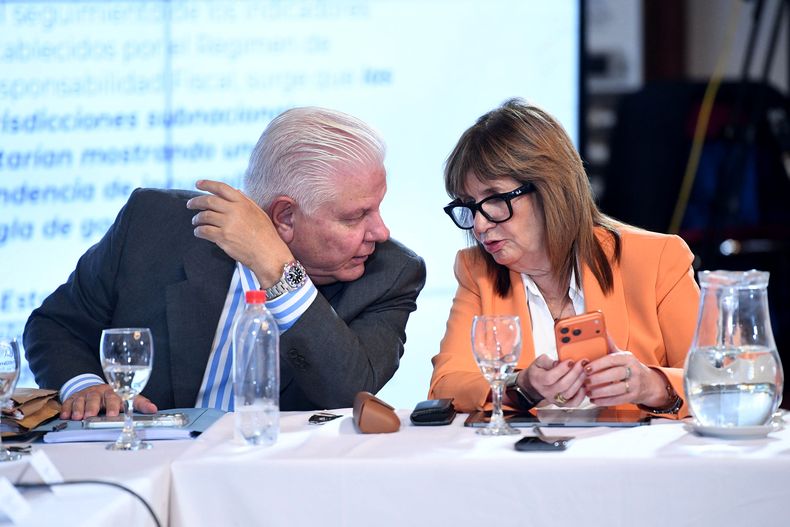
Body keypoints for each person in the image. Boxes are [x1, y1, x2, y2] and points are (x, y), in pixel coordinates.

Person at [25, 107, 426, 420]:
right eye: (356, 216)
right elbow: (55, 325)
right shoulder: (153, 224)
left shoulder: (390, 274)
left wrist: (278, 270)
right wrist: (83, 386)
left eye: (377, 208)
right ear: (285, 217)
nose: (381, 231)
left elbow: (347, 390)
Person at [429, 99, 699, 417]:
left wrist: (653, 386)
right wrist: (520, 386)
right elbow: (445, 386)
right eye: (469, 205)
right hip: (525, 462)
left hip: (634, 464)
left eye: (495, 200)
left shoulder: (657, 259)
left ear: (550, 189)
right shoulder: (477, 271)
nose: (479, 224)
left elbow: (722, 383)